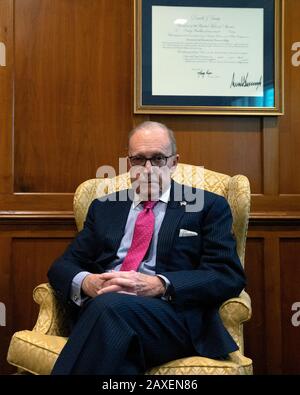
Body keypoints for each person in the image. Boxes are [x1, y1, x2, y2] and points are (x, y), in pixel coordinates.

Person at [48, 121, 246, 375]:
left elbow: (227, 275)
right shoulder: (105, 208)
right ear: (129, 164)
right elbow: (61, 267)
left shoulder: (207, 206)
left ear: (174, 162)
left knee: (109, 309)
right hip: (105, 313)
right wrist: (88, 282)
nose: (148, 169)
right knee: (117, 341)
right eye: (139, 160)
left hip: (171, 318)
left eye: (158, 159)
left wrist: (160, 284)